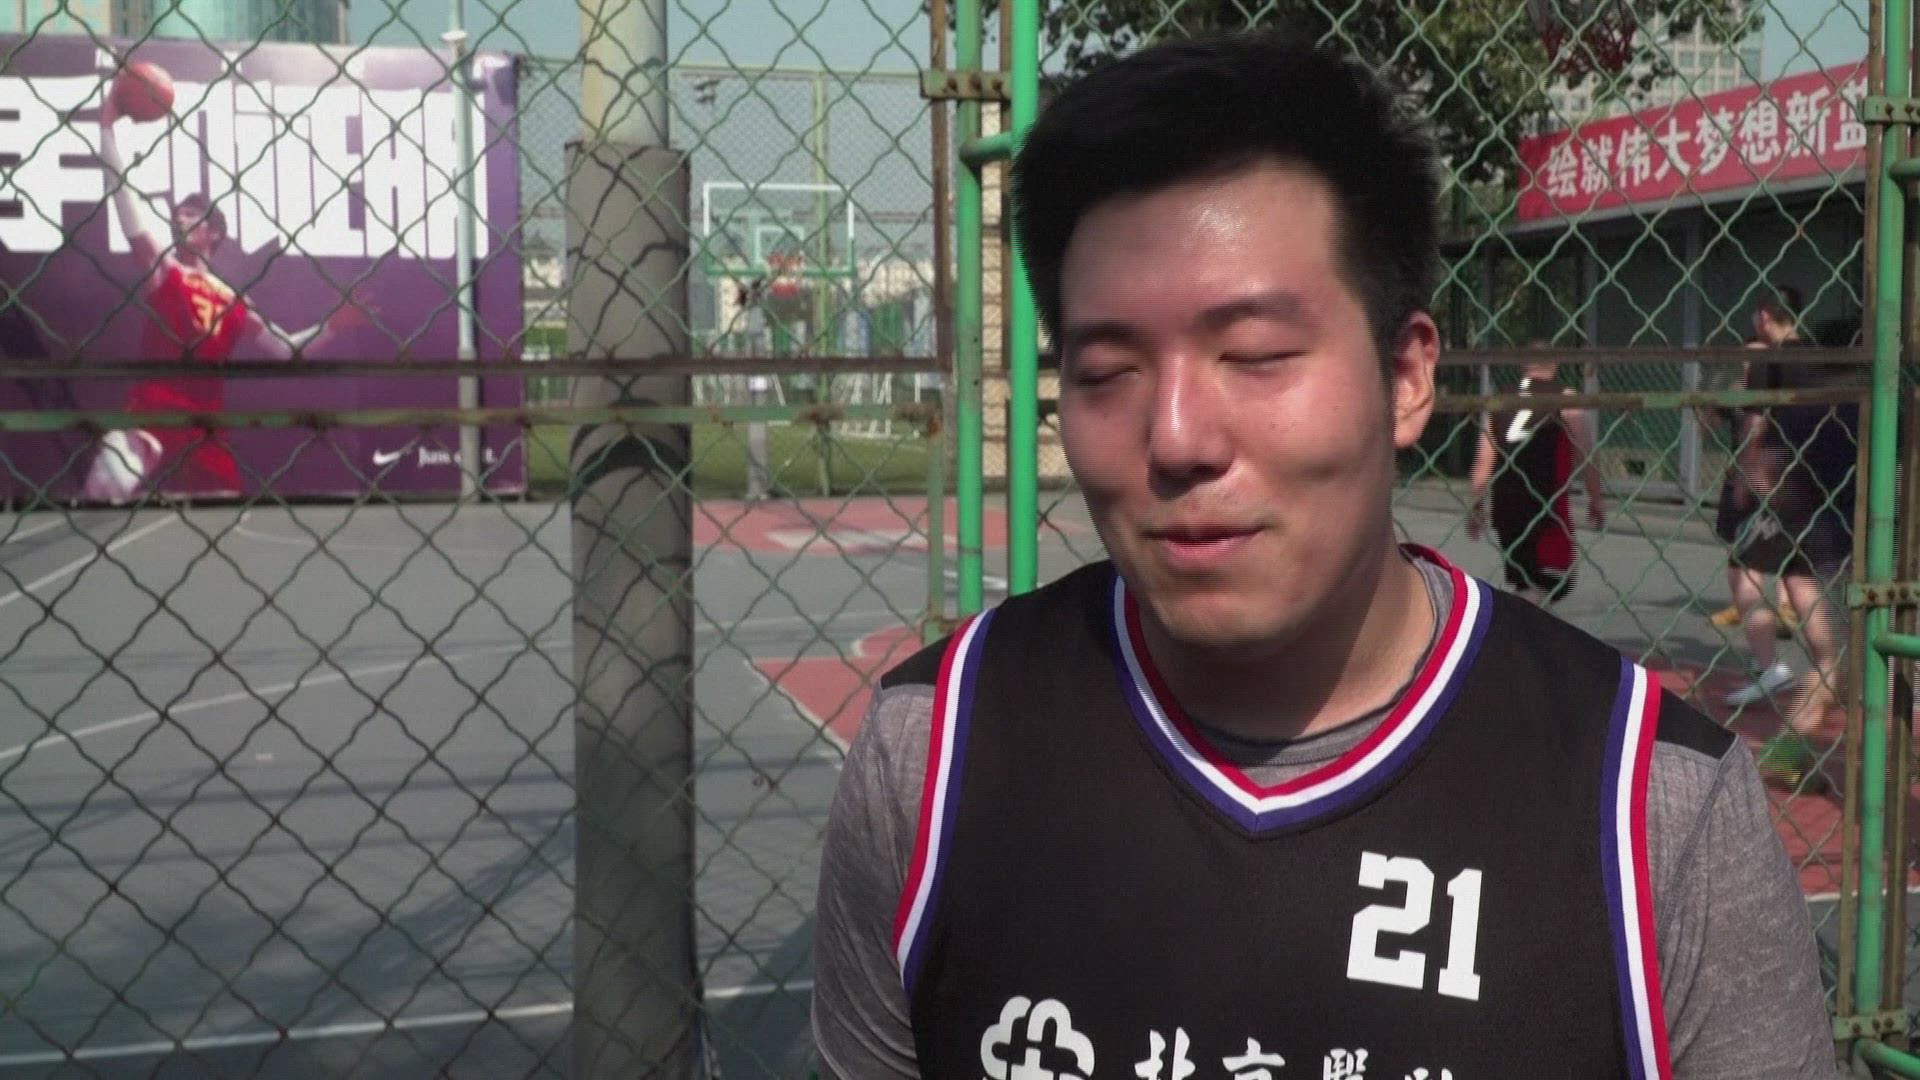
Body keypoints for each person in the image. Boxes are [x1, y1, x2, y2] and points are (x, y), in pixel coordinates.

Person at [813, 34, 1833, 1079]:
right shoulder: (933, 757)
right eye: (1108, 371)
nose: (1177, 438)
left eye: (1256, 356)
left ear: (1407, 376)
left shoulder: (1653, 809)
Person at [90, 88, 369, 501]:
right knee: (106, 486)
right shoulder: (165, 271)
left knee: (224, 511)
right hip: (155, 409)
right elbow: (125, 203)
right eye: (177, 215)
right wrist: (106, 131)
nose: (179, 219)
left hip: (205, 426)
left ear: (214, 232)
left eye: (190, 214)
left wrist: (332, 325)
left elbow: (286, 349)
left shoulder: (233, 300)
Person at [1738, 291, 1859, 786]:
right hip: (1842, 539)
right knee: (1842, 657)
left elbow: (1764, 464)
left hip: (1823, 534)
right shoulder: (1859, 407)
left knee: (1844, 657)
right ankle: (1790, 749)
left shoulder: (1804, 404)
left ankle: (1800, 749)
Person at [1465, 351, 1604, 604]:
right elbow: (1585, 453)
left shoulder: (1500, 398)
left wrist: (1476, 505)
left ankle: (1523, 619)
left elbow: (1484, 459)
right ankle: (1514, 623)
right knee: (1551, 580)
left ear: (1524, 366)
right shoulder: (1564, 397)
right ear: (1554, 366)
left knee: (1526, 580)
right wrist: (1596, 499)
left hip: (1506, 506)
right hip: (1545, 504)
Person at [1714, 334, 1800, 708]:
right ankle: (1774, 659)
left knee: (1747, 572)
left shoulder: (1771, 396)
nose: (1751, 364)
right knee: (1774, 573)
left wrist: (1745, 479)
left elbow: (1755, 436)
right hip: (1756, 488)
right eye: (1747, 358)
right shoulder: (1740, 391)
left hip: (1762, 490)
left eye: (1758, 359)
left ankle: (1771, 667)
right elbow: (1709, 421)